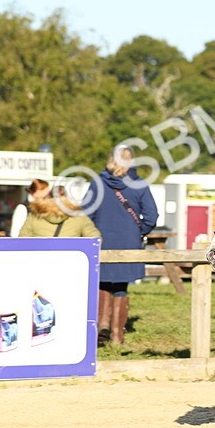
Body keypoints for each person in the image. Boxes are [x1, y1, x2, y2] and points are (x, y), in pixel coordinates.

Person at [82, 145, 159, 346]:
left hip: (101, 240)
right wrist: (138, 231)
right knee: (121, 285)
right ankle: (117, 335)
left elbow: (86, 214)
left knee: (103, 282)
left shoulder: (98, 183)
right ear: (131, 161)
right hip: (129, 241)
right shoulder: (139, 184)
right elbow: (151, 216)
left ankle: (102, 327)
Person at [19, 183, 101, 238]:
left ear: (48, 197)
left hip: (41, 262)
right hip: (71, 262)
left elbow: (22, 239)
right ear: (67, 197)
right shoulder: (79, 216)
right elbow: (95, 239)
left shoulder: (35, 215)